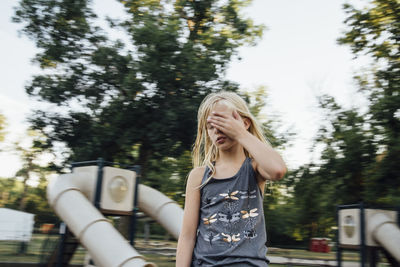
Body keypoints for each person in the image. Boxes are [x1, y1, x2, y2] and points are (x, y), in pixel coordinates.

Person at [176, 91, 287, 267]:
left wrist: (241, 134)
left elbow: (278, 170)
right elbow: (187, 236)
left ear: (244, 123)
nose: (217, 130)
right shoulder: (199, 176)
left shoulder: (255, 168)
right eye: (211, 126)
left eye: (224, 122)